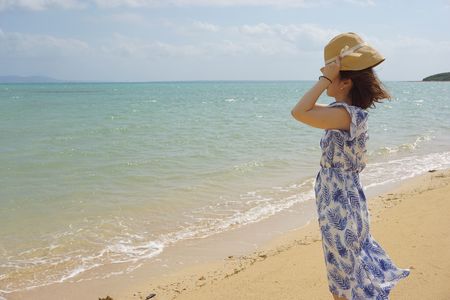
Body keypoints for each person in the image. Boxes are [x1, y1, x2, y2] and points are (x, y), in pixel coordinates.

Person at [290, 32, 410, 300]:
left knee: (344, 277)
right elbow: (306, 109)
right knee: (344, 274)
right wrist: (329, 76)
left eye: (331, 75)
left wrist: (323, 79)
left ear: (344, 83)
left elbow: (298, 112)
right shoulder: (342, 112)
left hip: (341, 204)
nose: (323, 77)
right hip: (341, 200)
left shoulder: (345, 116)